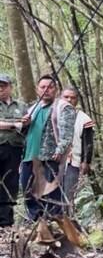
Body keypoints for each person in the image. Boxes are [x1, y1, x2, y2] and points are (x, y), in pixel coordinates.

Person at [19, 75, 76, 221]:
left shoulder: (63, 107)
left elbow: (67, 133)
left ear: (56, 90)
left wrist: (60, 150)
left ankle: (54, 225)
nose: (46, 90)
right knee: (28, 193)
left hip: (49, 157)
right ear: (37, 90)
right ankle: (37, 225)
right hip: (29, 157)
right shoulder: (33, 108)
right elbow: (25, 133)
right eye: (43, 87)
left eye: (50, 87)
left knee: (51, 194)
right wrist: (24, 124)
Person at [60, 87, 94, 212]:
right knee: (51, 194)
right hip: (53, 161)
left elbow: (88, 141)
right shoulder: (53, 114)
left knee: (68, 194)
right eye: (66, 97)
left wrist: (86, 161)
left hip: (72, 161)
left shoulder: (83, 119)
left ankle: (68, 222)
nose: (69, 100)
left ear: (77, 100)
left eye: (72, 97)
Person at [0, 74, 26, 227]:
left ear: (10, 87)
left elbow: (26, 122)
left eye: (3, 86)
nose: (1, 89)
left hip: (14, 148)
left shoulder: (20, 106)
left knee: (11, 182)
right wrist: (14, 124)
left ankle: (6, 220)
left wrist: (23, 123)